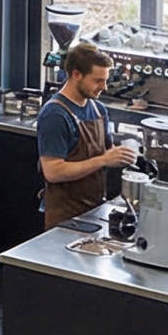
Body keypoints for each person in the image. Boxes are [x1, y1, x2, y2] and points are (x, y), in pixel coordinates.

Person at [38, 41, 137, 229]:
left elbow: (107, 152)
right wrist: (103, 160)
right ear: (77, 75)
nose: (104, 87)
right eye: (98, 81)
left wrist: (124, 155)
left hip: (93, 211)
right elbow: (53, 172)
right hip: (66, 217)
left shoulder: (98, 109)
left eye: (105, 80)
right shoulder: (55, 115)